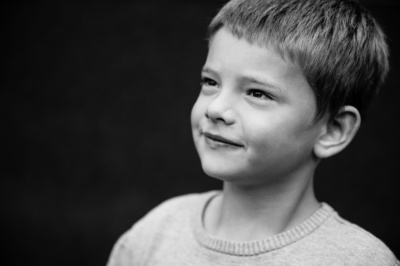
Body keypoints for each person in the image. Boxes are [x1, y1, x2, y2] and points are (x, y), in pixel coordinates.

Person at [107, 0, 399, 265]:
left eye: (258, 93)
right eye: (211, 82)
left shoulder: (360, 260)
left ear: (333, 130)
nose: (215, 108)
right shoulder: (154, 233)